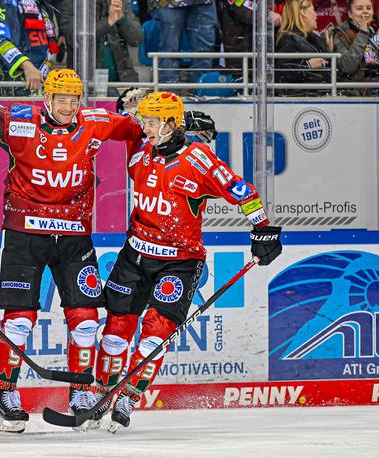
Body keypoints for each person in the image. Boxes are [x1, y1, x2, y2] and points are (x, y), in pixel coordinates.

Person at [0, 57, 218, 433]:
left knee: (85, 322)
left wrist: (179, 126)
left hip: (74, 239)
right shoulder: (20, 121)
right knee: (19, 322)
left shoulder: (96, 123)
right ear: (46, 97)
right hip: (25, 236)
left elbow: (145, 130)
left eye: (75, 98)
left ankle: (80, 394)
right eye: (61, 98)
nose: (69, 106)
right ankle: (4, 399)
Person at [93, 91, 282, 433]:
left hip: (179, 262)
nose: (144, 127)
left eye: (151, 122)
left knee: (155, 333)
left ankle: (128, 397)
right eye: (144, 121)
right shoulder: (140, 151)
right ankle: (101, 395)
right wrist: (128, 108)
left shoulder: (199, 160)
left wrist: (263, 229)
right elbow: (122, 124)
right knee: (116, 329)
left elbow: (242, 191)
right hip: (134, 254)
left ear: (170, 124)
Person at [60, 0, 143, 88]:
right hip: (86, 86)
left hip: (124, 83)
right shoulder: (72, 3)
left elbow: (137, 39)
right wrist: (108, 22)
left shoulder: (120, 2)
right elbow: (75, 39)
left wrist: (122, 18)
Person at [0, 0, 59, 95]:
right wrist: (27, 66)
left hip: (42, 83)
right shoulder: (9, 3)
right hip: (19, 84)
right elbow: (0, 41)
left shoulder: (43, 5)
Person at [331, 0, 379, 96]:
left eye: (368, 8)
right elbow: (347, 67)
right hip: (355, 93)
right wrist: (363, 34)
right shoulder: (341, 34)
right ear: (350, 14)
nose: (365, 11)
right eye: (359, 8)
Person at [275, 0, 333, 96]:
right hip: (304, 99)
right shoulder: (289, 39)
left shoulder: (312, 38)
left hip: (321, 95)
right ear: (303, 12)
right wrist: (308, 65)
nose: (316, 15)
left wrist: (328, 50)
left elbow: (329, 69)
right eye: (313, 10)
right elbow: (281, 74)